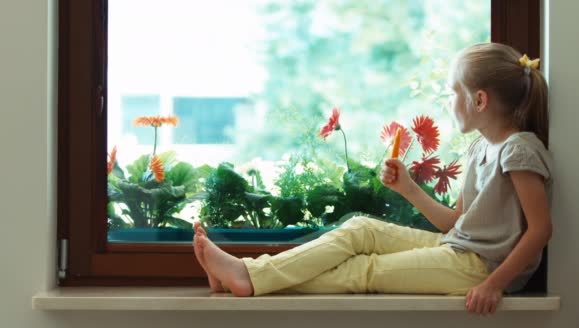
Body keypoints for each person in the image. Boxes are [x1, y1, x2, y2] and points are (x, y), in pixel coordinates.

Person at [192, 42, 553, 315]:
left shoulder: (518, 149)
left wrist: (493, 285)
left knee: (365, 271)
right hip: (458, 249)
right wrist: (408, 188)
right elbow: (455, 223)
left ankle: (247, 277)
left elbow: (540, 230)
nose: (447, 101)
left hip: (480, 268)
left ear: (479, 101)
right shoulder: (479, 148)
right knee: (360, 229)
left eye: (452, 92)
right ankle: (243, 275)